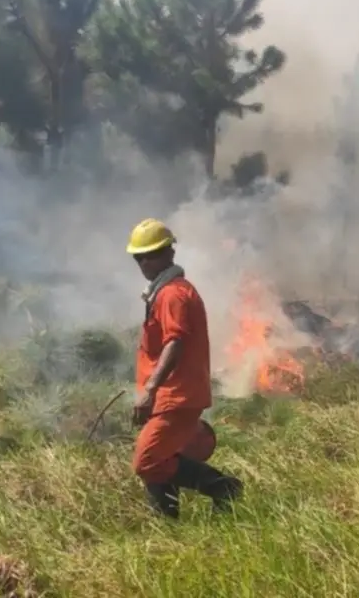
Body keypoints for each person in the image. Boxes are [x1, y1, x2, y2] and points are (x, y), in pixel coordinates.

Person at [126, 218, 243, 518]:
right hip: (169, 394)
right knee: (164, 457)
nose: (142, 263)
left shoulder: (173, 294)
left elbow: (174, 342)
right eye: (138, 257)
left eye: (148, 255)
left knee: (147, 461)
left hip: (174, 395)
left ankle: (222, 486)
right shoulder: (163, 291)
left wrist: (151, 389)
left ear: (168, 254)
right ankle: (167, 524)